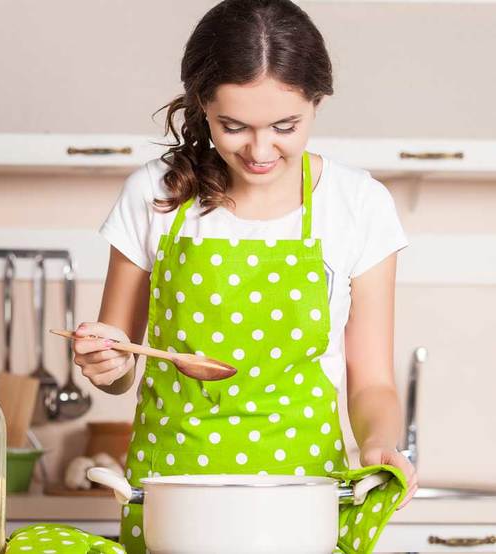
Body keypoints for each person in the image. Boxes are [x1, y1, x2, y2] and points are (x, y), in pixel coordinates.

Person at [72, 0, 418, 551]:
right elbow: (119, 367)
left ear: (316, 102)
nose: (260, 150)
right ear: (202, 105)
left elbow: (372, 380)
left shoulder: (359, 205)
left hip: (301, 499)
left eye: (285, 126)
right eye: (233, 126)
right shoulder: (155, 192)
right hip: (171, 496)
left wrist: (378, 441)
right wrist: (104, 359)